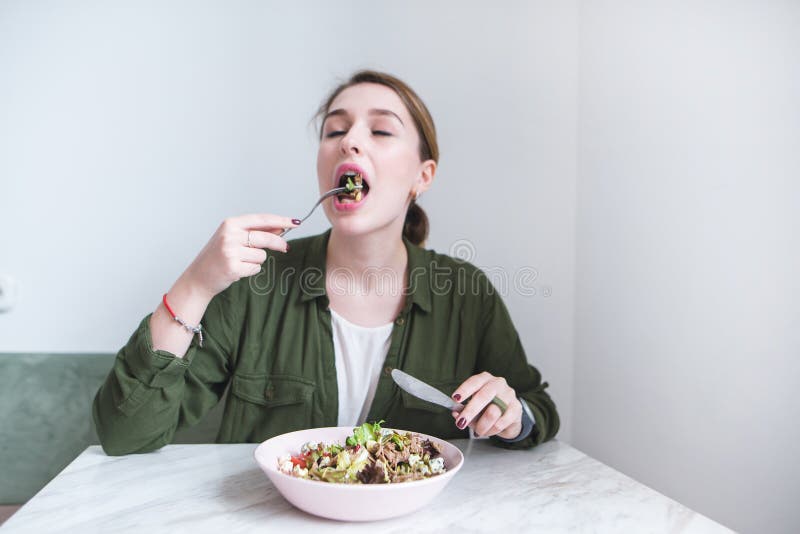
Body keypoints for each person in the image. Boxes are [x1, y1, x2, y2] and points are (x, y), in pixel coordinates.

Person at [92, 70, 559, 455]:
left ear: (423, 176)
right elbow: (125, 434)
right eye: (335, 130)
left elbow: (536, 409)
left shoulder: (465, 293)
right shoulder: (257, 281)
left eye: (379, 130)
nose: (349, 141)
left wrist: (513, 415)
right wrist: (195, 285)